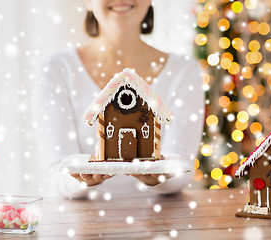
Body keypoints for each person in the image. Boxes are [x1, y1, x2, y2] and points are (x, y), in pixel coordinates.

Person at [32, 0, 204, 198]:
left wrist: (161, 176)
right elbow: (57, 173)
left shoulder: (184, 71)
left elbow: (181, 165)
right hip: (82, 222)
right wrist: (78, 177)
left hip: (160, 223)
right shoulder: (57, 69)